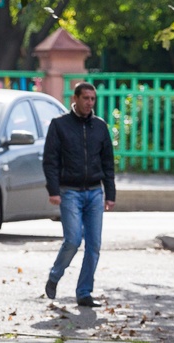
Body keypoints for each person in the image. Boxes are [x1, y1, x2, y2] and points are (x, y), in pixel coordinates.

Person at [42, 82, 116, 307]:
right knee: (73, 240)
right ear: (75, 98)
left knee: (94, 245)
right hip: (70, 191)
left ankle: (84, 292)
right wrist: (54, 190)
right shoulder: (60, 125)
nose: (89, 103)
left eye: (93, 99)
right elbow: (50, 160)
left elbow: (108, 162)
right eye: (85, 98)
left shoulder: (100, 127)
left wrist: (110, 193)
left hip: (94, 191)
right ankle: (55, 276)